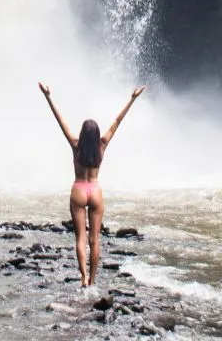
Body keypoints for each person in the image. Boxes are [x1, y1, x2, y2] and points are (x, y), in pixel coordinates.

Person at [37, 82, 145, 288]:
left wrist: (48, 97)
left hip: (79, 189)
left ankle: (83, 278)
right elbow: (117, 121)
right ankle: (93, 280)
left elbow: (61, 121)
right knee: (95, 239)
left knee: (80, 239)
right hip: (95, 190)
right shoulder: (102, 145)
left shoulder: (75, 145)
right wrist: (132, 99)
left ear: (83, 133)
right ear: (96, 135)